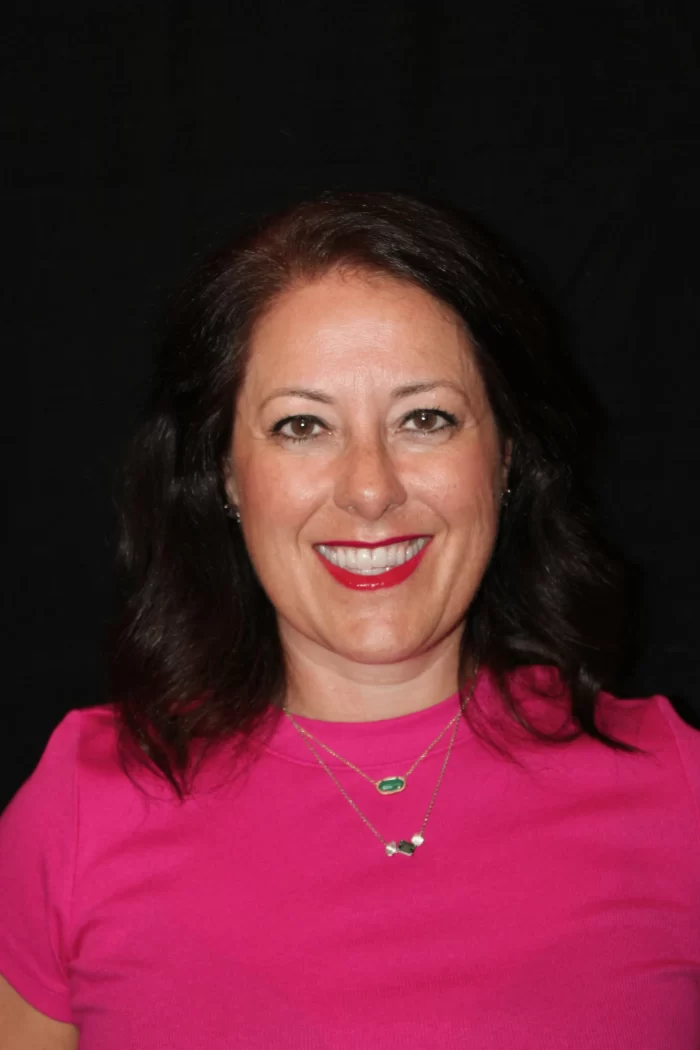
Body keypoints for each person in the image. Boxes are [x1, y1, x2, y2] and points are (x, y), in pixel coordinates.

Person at [0, 192, 698, 1049]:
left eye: (425, 419)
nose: (371, 489)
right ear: (224, 473)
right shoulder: (81, 805)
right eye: (302, 426)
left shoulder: (677, 791)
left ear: (507, 455)